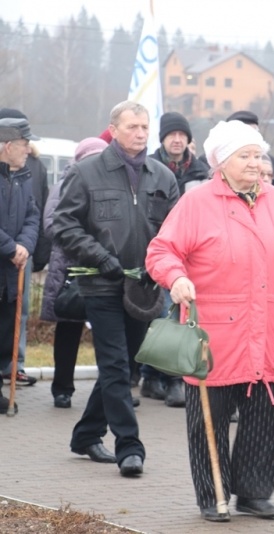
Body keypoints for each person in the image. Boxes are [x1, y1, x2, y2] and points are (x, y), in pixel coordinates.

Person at [145, 119, 274, 523]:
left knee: (264, 419)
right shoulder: (197, 203)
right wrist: (177, 277)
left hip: (268, 329)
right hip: (214, 332)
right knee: (210, 420)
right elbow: (161, 251)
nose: (256, 163)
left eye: (258, 155)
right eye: (246, 156)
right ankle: (213, 494)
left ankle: (254, 493)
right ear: (222, 161)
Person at [53, 100, 179, 476]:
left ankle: (86, 434)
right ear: (114, 129)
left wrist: (160, 267)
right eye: (132, 127)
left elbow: (174, 231)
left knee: (124, 364)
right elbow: (63, 225)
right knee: (115, 363)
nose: (140, 134)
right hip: (101, 284)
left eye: (144, 127)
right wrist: (99, 256)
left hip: (143, 287)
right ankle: (129, 446)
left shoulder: (163, 176)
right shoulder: (86, 172)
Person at [139, 111, 211, 408]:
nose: (178, 140)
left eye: (183, 135)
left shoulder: (201, 171)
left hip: (194, 253)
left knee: (181, 316)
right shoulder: (151, 167)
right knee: (161, 317)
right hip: (162, 250)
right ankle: (154, 376)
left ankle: (172, 379)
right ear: (163, 139)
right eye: (172, 135)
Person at [40, 137, 108, 408]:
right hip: (70, 267)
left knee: (108, 333)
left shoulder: (111, 184)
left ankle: (110, 389)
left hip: (103, 268)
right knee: (68, 329)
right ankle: (62, 388)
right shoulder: (65, 183)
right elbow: (51, 224)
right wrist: (81, 241)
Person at [0, 108, 49, 387]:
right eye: (24, 143)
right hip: (5, 259)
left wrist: (24, 246)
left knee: (7, 329)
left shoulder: (23, 176)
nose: (29, 149)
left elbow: (33, 215)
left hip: (13, 267)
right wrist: (10, 247)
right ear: (8, 146)